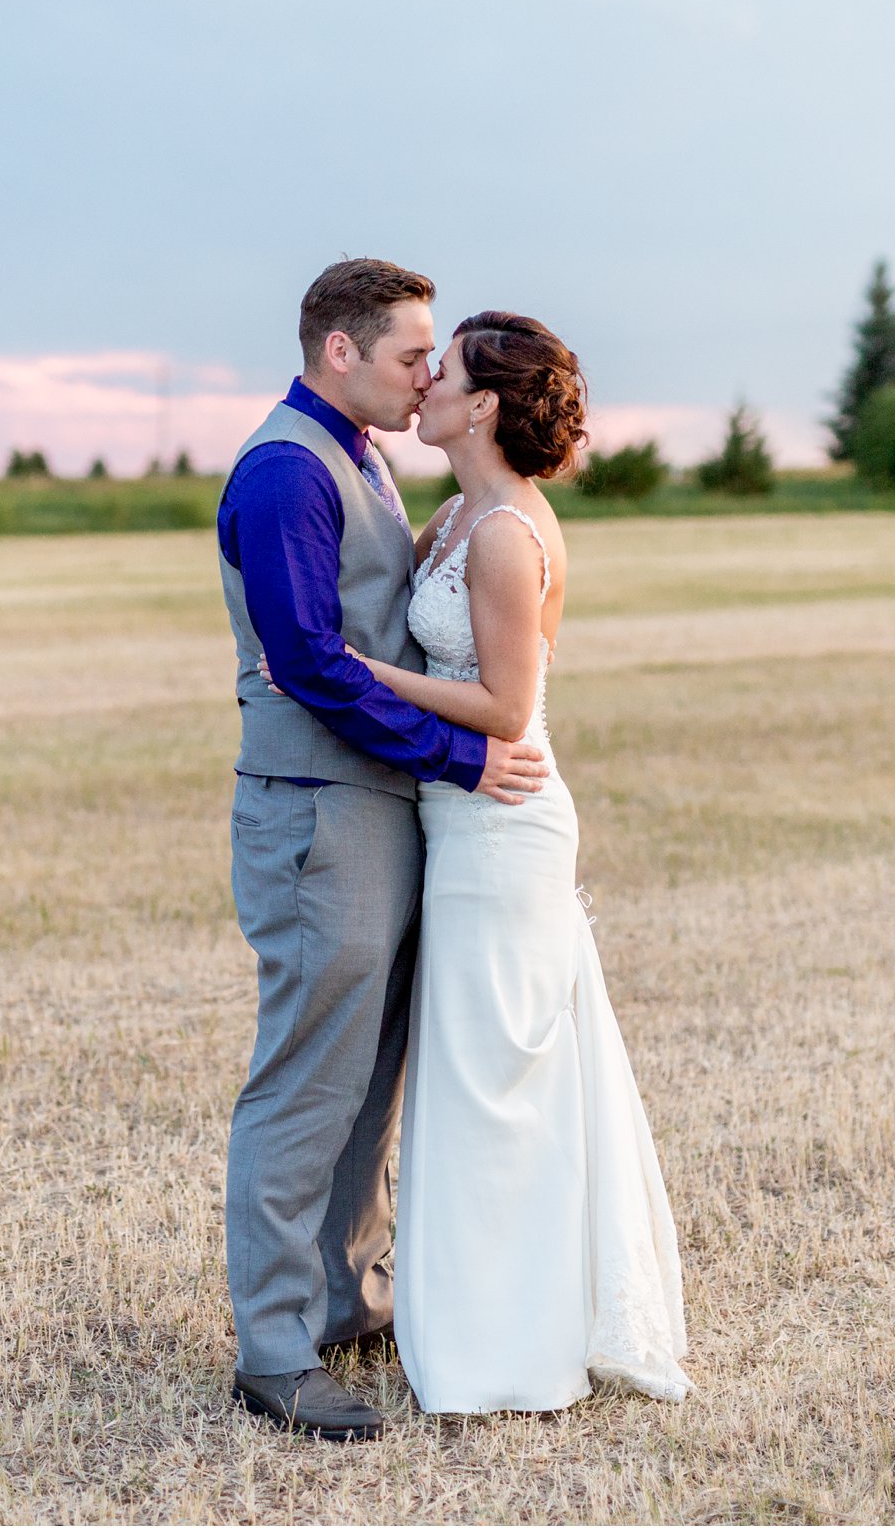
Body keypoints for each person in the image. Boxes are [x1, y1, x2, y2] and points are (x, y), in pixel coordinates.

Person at [299, 312, 692, 1413]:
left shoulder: (511, 535)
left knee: (495, 1081)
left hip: (501, 828)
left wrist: (362, 676)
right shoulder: (456, 515)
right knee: (476, 1075)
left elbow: (507, 710)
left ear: (480, 407)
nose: (422, 382)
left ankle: (508, 1355)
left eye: (445, 370)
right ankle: (479, 1322)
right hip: (455, 823)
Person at [215, 260, 550, 1442]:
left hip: (380, 806)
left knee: (372, 1072)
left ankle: (347, 1304)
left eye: (434, 361)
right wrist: (461, 760)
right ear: (339, 351)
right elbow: (308, 661)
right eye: (411, 354)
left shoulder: (358, 455)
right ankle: (269, 1350)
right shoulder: (281, 472)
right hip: (316, 811)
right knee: (308, 1074)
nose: (426, 376)